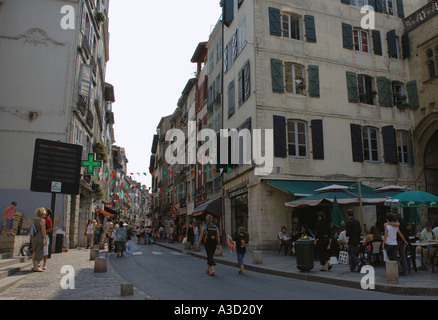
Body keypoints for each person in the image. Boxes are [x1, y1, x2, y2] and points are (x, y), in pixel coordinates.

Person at [391, 207, 409, 275]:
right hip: (402, 239)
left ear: (392, 212)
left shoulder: (396, 219)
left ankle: (397, 270)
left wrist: (388, 223)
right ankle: (404, 270)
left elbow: (397, 227)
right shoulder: (401, 218)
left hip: (397, 239)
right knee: (402, 255)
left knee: (395, 255)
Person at [31, 207, 47, 272]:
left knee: (34, 251)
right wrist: (45, 239)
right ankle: (36, 267)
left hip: (34, 237)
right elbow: (43, 230)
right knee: (38, 251)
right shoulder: (42, 221)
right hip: (39, 237)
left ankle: (35, 265)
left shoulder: (34, 220)